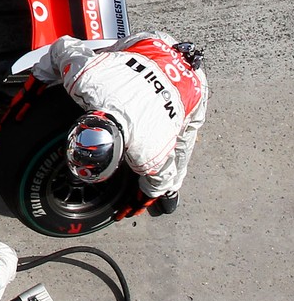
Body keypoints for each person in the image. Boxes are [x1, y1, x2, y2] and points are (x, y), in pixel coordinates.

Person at [28, 31, 208, 214]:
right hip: (153, 47)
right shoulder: (87, 78)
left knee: (183, 141)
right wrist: (31, 90)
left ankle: (171, 192)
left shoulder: (149, 154)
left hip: (192, 82)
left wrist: (148, 196)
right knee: (108, 57)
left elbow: (163, 178)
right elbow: (62, 46)